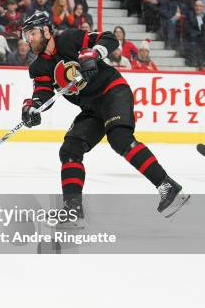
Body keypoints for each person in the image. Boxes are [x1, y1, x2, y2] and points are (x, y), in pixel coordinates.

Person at [20, 12, 188, 220]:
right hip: (91, 108)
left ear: (46, 30)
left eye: (32, 33)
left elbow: (109, 38)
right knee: (70, 149)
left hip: (112, 91)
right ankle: (73, 209)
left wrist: (94, 55)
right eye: (26, 36)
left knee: (119, 139)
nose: (29, 39)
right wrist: (31, 109)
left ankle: (166, 185)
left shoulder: (69, 38)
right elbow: (42, 94)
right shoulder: (38, 67)